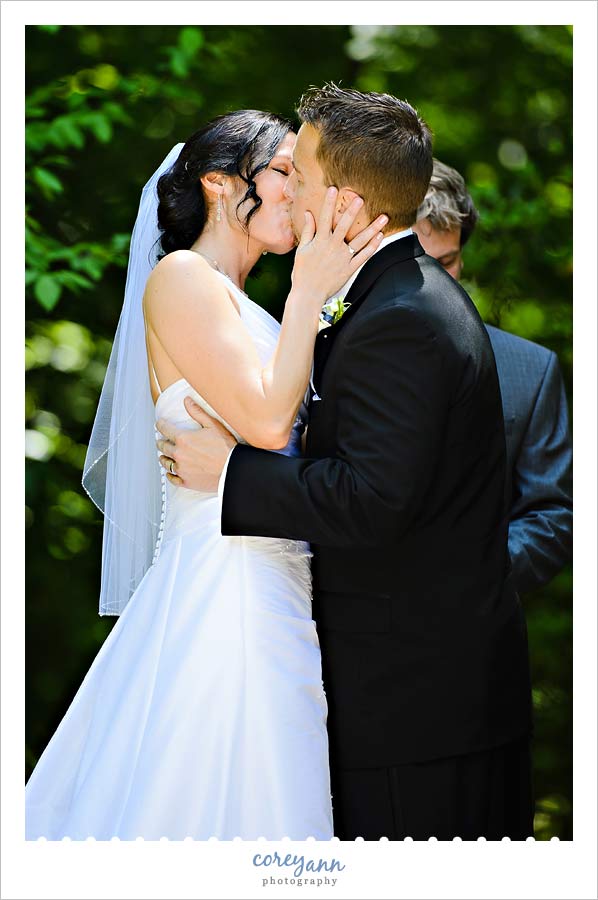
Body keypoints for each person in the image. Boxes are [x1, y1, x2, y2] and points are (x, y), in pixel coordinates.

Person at [156, 84, 535, 841]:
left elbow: (372, 501)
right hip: (389, 690)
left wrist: (231, 475)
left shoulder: (403, 319)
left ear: (349, 207)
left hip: (415, 708)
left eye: (304, 175)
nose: (288, 186)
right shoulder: (387, 302)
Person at [25, 109, 387, 840]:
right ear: (221, 183)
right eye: (285, 168)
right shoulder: (183, 277)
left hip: (282, 586)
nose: (301, 188)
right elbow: (266, 423)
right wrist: (309, 294)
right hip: (223, 590)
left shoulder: (249, 306)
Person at [413, 159, 573, 595]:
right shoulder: (327, 353)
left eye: (447, 263)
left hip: (475, 635)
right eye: (418, 264)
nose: (434, 284)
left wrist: (472, 576)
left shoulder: (533, 370)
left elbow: (552, 514)